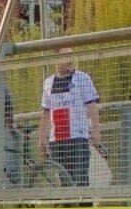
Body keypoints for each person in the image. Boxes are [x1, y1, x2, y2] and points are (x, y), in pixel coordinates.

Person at [41, 56, 102, 189]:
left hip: (78, 137)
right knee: (64, 182)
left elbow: (92, 105)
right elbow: (46, 112)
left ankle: (83, 207)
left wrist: (96, 130)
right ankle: (68, 207)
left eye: (71, 57)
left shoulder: (82, 78)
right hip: (57, 140)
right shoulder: (48, 83)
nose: (70, 61)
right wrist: (42, 138)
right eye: (65, 57)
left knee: (80, 179)